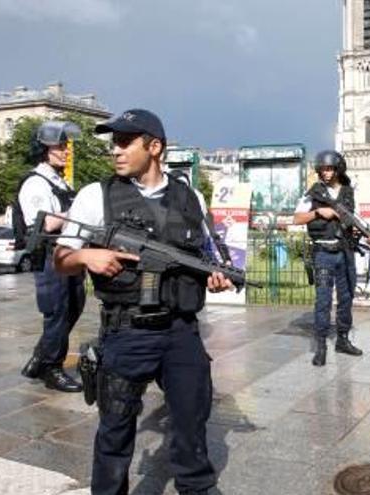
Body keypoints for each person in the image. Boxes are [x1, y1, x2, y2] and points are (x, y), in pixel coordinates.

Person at [53, 109, 233, 495]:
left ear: (155, 147)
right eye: (113, 143)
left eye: (124, 142)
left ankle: (197, 486)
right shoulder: (94, 195)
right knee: (115, 428)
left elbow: (203, 257)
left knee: (191, 420)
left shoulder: (191, 196)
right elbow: (61, 259)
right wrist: (87, 257)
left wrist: (214, 277)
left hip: (182, 330)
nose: (115, 150)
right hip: (126, 330)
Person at [19, 121, 86, 393]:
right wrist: (78, 214)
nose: (66, 151)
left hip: (67, 252)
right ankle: (51, 368)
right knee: (56, 311)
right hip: (49, 254)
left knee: (75, 305)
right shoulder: (35, 183)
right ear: (44, 150)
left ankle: (39, 358)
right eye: (60, 147)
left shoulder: (57, 180)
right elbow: (44, 223)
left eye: (65, 146)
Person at [293, 150, 370, 366]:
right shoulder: (313, 193)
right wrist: (319, 213)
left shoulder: (348, 192)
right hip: (322, 253)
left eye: (330, 169)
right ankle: (320, 346)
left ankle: (343, 340)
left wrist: (366, 235)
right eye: (323, 169)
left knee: (346, 299)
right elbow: (297, 218)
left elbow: (353, 220)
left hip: (345, 252)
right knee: (323, 301)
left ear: (338, 169)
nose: (326, 173)